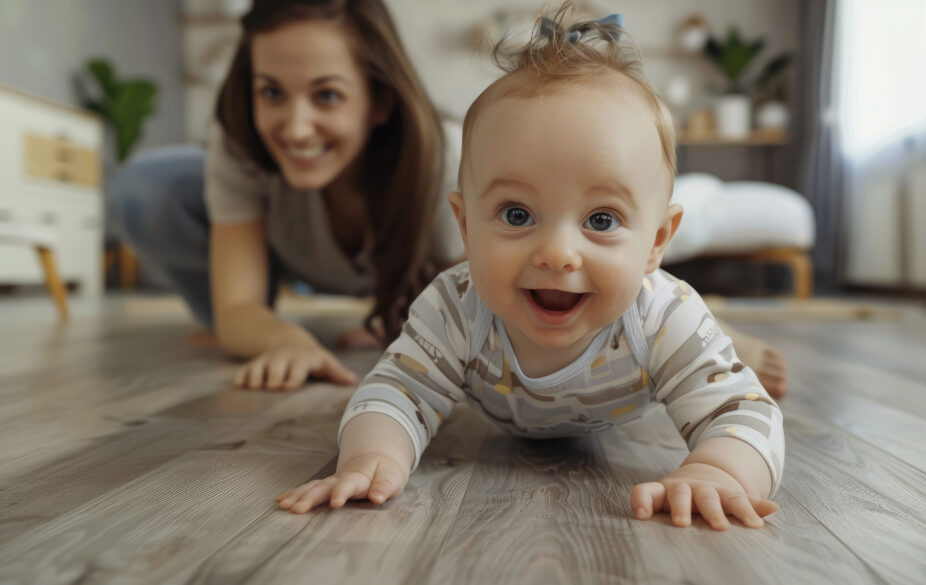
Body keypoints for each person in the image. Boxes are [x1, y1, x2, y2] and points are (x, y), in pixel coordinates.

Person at [276, 3, 784, 531]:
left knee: (708, 364)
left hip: (624, 408)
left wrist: (720, 471)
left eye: (602, 219)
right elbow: (394, 391)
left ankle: (724, 338)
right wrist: (370, 458)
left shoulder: (661, 314)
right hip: (497, 412)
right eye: (517, 215)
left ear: (656, 242)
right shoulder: (455, 306)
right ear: (466, 227)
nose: (558, 253)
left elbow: (744, 411)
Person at [107, 0, 450, 391]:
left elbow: (483, 313)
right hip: (272, 261)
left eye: (327, 95)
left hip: (403, 279)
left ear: (381, 101)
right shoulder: (239, 142)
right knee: (144, 187)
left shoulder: (445, 161)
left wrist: (408, 325)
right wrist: (279, 338)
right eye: (271, 91)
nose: (296, 130)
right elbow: (238, 308)